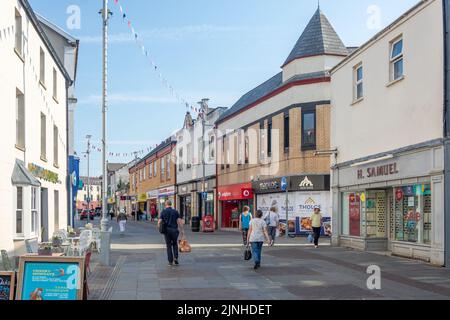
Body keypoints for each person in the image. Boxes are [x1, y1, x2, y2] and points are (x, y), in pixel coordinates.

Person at [158, 200, 183, 267]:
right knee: (175, 244)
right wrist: (182, 230)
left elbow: (159, 221)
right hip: (175, 230)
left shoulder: (163, 212)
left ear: (165, 205)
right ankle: (176, 258)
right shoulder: (175, 211)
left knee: (168, 246)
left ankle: (170, 262)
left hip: (167, 231)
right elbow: (179, 221)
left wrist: (159, 228)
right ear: (171, 204)